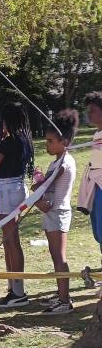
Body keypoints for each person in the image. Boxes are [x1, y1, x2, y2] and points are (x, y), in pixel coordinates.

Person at [0, 102, 35, 307]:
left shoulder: (7, 142)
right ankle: (14, 288)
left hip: (6, 190)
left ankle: (18, 291)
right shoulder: (25, 140)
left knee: (10, 240)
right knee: (10, 239)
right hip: (18, 186)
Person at [34, 110, 79, 315]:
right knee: (54, 255)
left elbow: (46, 188)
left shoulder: (65, 162)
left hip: (58, 212)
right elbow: (45, 186)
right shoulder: (56, 161)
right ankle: (61, 294)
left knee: (60, 257)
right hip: (51, 212)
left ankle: (64, 300)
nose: (47, 145)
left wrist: (36, 190)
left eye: (51, 141)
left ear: (64, 141)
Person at [78, 92, 102, 269]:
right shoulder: (97, 134)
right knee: (99, 233)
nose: (89, 114)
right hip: (96, 190)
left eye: (93, 111)